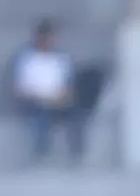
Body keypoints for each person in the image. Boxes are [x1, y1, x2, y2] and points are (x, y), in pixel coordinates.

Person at [9, 20, 96, 162]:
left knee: (77, 115)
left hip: (58, 101)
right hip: (34, 101)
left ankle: (78, 154)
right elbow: (18, 87)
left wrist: (64, 97)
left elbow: (70, 85)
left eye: (51, 37)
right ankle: (41, 155)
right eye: (46, 37)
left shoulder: (62, 58)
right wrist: (40, 98)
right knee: (41, 117)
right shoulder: (25, 59)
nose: (49, 41)